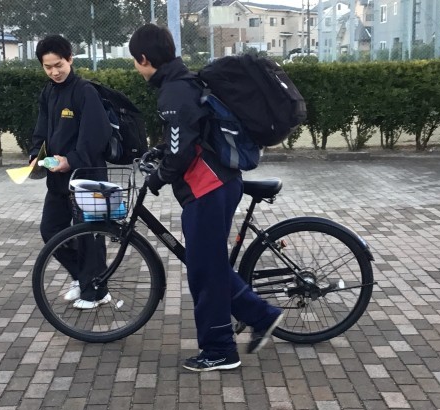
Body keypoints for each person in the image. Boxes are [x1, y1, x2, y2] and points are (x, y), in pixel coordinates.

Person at [129, 24, 284, 372]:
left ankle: (220, 350)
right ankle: (261, 316)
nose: (136, 68)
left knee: (205, 273)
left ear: (144, 58)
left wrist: (158, 178)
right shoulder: (184, 82)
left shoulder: (174, 91)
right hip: (217, 184)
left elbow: (181, 152)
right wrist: (160, 152)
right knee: (208, 266)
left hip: (208, 190)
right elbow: (188, 136)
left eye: (135, 62)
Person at [29, 34, 112, 309]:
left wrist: (71, 160)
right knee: (51, 230)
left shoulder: (84, 91)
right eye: (48, 67)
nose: (54, 72)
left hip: (88, 176)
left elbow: (97, 135)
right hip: (57, 178)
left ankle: (97, 291)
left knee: (89, 235)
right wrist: (35, 155)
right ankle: (82, 277)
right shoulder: (48, 92)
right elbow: (41, 130)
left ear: (70, 59)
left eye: (59, 65)